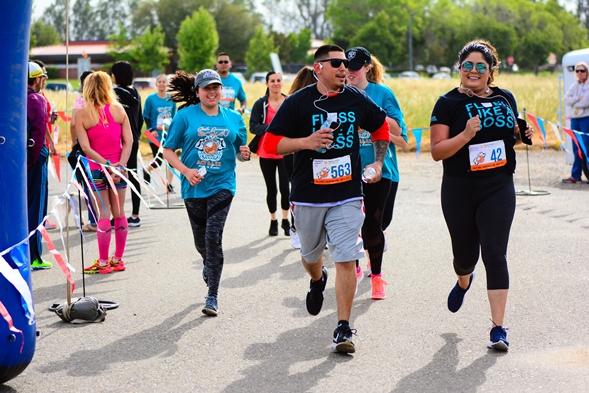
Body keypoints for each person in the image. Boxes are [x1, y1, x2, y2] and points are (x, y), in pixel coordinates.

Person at [261, 44, 394, 353]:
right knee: (310, 256)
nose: (343, 68)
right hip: (308, 196)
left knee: (347, 257)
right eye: (336, 63)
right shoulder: (297, 103)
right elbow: (270, 145)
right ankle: (317, 278)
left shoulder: (356, 99)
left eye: (345, 63)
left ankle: (343, 327)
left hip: (347, 194)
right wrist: (305, 142)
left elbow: (380, 126)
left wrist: (376, 162)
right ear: (318, 67)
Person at [429, 39, 533, 352]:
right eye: (468, 66)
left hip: (498, 185)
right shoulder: (446, 103)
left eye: (480, 67)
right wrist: (465, 135)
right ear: (460, 70)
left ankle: (498, 327)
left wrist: (521, 134)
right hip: (459, 188)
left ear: (490, 72)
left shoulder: (505, 98)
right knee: (465, 257)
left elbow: (508, 136)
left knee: (495, 253)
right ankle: (464, 280)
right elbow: (437, 152)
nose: (473, 71)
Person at [163, 69, 251, 317]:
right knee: (201, 242)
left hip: (223, 184)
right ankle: (207, 262)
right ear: (198, 91)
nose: (212, 92)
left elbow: (238, 151)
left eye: (216, 87)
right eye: (206, 88)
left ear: (221, 90)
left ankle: (212, 295)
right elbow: (168, 150)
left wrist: (244, 156)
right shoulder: (184, 117)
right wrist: (185, 171)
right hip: (193, 187)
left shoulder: (234, 118)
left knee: (213, 238)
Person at [345, 47, 408, 300]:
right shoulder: (339, 95)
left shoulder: (382, 93)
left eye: (355, 67)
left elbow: (399, 132)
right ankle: (374, 276)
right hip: (349, 170)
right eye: (346, 68)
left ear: (367, 68)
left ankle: (371, 248)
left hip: (382, 170)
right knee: (360, 223)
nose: (350, 72)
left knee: (379, 224)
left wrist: (369, 113)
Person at [75, 71, 133, 274]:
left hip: (97, 169)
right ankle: (118, 259)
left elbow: (86, 148)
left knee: (103, 213)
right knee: (120, 213)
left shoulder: (81, 114)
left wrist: (106, 165)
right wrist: (119, 165)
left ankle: (102, 262)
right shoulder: (119, 110)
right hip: (120, 167)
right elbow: (129, 141)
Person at [249, 71, 290, 237]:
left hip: (286, 151)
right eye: (272, 81)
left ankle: (286, 220)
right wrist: (271, 129)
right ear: (267, 84)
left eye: (278, 80)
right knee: (271, 189)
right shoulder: (261, 104)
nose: (276, 83)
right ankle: (273, 220)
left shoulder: (289, 101)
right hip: (266, 152)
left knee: (285, 189)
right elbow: (253, 126)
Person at [284, 66, 317, 249]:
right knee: (298, 192)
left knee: (300, 192)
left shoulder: (321, 101)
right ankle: (296, 229)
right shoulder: (292, 102)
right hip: (295, 153)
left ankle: (302, 230)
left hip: (309, 154)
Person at [26, 61, 53, 270]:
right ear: (36, 79)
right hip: (34, 157)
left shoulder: (13, 96)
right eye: (42, 78)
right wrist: (35, 160)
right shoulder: (37, 99)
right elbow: (37, 133)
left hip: (15, 159)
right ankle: (34, 255)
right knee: (37, 207)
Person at [111, 61, 144, 227]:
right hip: (134, 139)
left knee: (116, 174)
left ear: (115, 76)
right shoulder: (136, 93)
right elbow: (141, 117)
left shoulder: (114, 93)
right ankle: (135, 214)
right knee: (133, 174)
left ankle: (117, 215)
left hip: (118, 139)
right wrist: (136, 133)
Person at [32, 59, 58, 230]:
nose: (46, 77)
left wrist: (51, 118)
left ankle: (42, 217)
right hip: (39, 144)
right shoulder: (37, 97)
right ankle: (39, 220)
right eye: (43, 74)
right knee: (38, 187)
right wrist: (51, 144)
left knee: (44, 186)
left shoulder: (42, 95)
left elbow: (44, 120)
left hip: (43, 144)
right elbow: (39, 124)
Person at [70, 70, 97, 232]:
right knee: (102, 182)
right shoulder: (103, 101)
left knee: (88, 182)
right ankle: (105, 218)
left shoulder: (80, 101)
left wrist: (74, 142)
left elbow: (74, 123)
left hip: (84, 146)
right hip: (101, 146)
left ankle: (93, 220)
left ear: (81, 85)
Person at [143, 74, 178, 193]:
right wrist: (151, 130)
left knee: (171, 160)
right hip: (155, 135)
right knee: (158, 161)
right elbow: (146, 116)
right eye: (160, 82)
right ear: (156, 84)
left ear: (167, 84)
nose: (162, 84)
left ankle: (169, 185)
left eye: (164, 82)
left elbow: (174, 117)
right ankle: (146, 170)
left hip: (169, 135)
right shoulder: (151, 99)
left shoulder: (171, 100)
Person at [563, 61, 589, 183]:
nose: (579, 73)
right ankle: (576, 175)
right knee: (576, 148)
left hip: (585, 119)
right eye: (577, 71)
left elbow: (586, 102)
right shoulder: (574, 86)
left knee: (586, 147)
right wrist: (577, 99)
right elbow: (566, 100)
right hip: (575, 120)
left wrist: (575, 102)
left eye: (582, 71)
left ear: (586, 72)